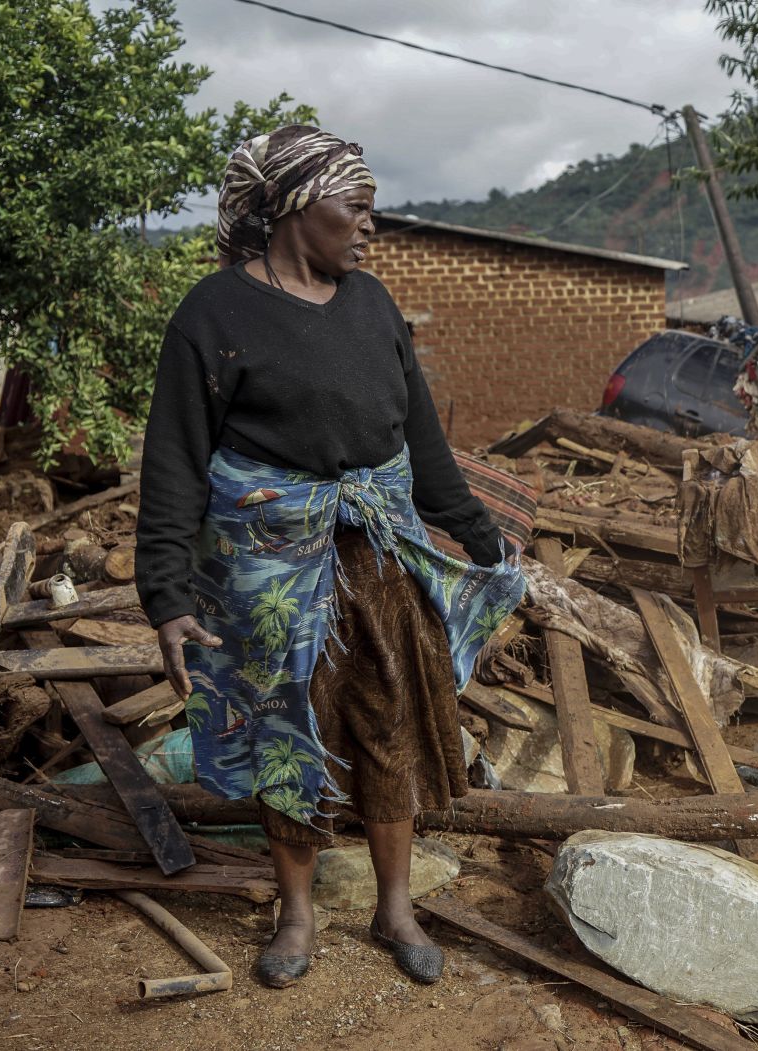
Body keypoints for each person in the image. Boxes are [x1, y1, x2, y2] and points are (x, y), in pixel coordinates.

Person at [135, 125, 525, 989]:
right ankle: (298, 912)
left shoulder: (372, 303)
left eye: (371, 210)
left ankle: (394, 905)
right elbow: (174, 463)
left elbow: (421, 442)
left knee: (389, 720)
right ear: (293, 208)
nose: (370, 227)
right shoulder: (213, 314)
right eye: (356, 208)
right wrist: (166, 595)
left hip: (378, 555)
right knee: (286, 723)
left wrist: (485, 538)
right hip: (270, 569)